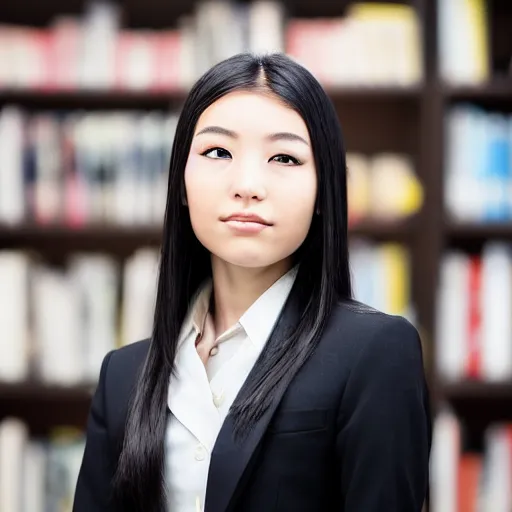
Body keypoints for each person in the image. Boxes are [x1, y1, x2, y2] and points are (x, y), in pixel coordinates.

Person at [73, 52, 431, 512]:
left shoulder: (376, 353)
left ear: (325, 191)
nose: (247, 185)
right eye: (217, 152)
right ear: (181, 182)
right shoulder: (123, 376)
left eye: (284, 157)